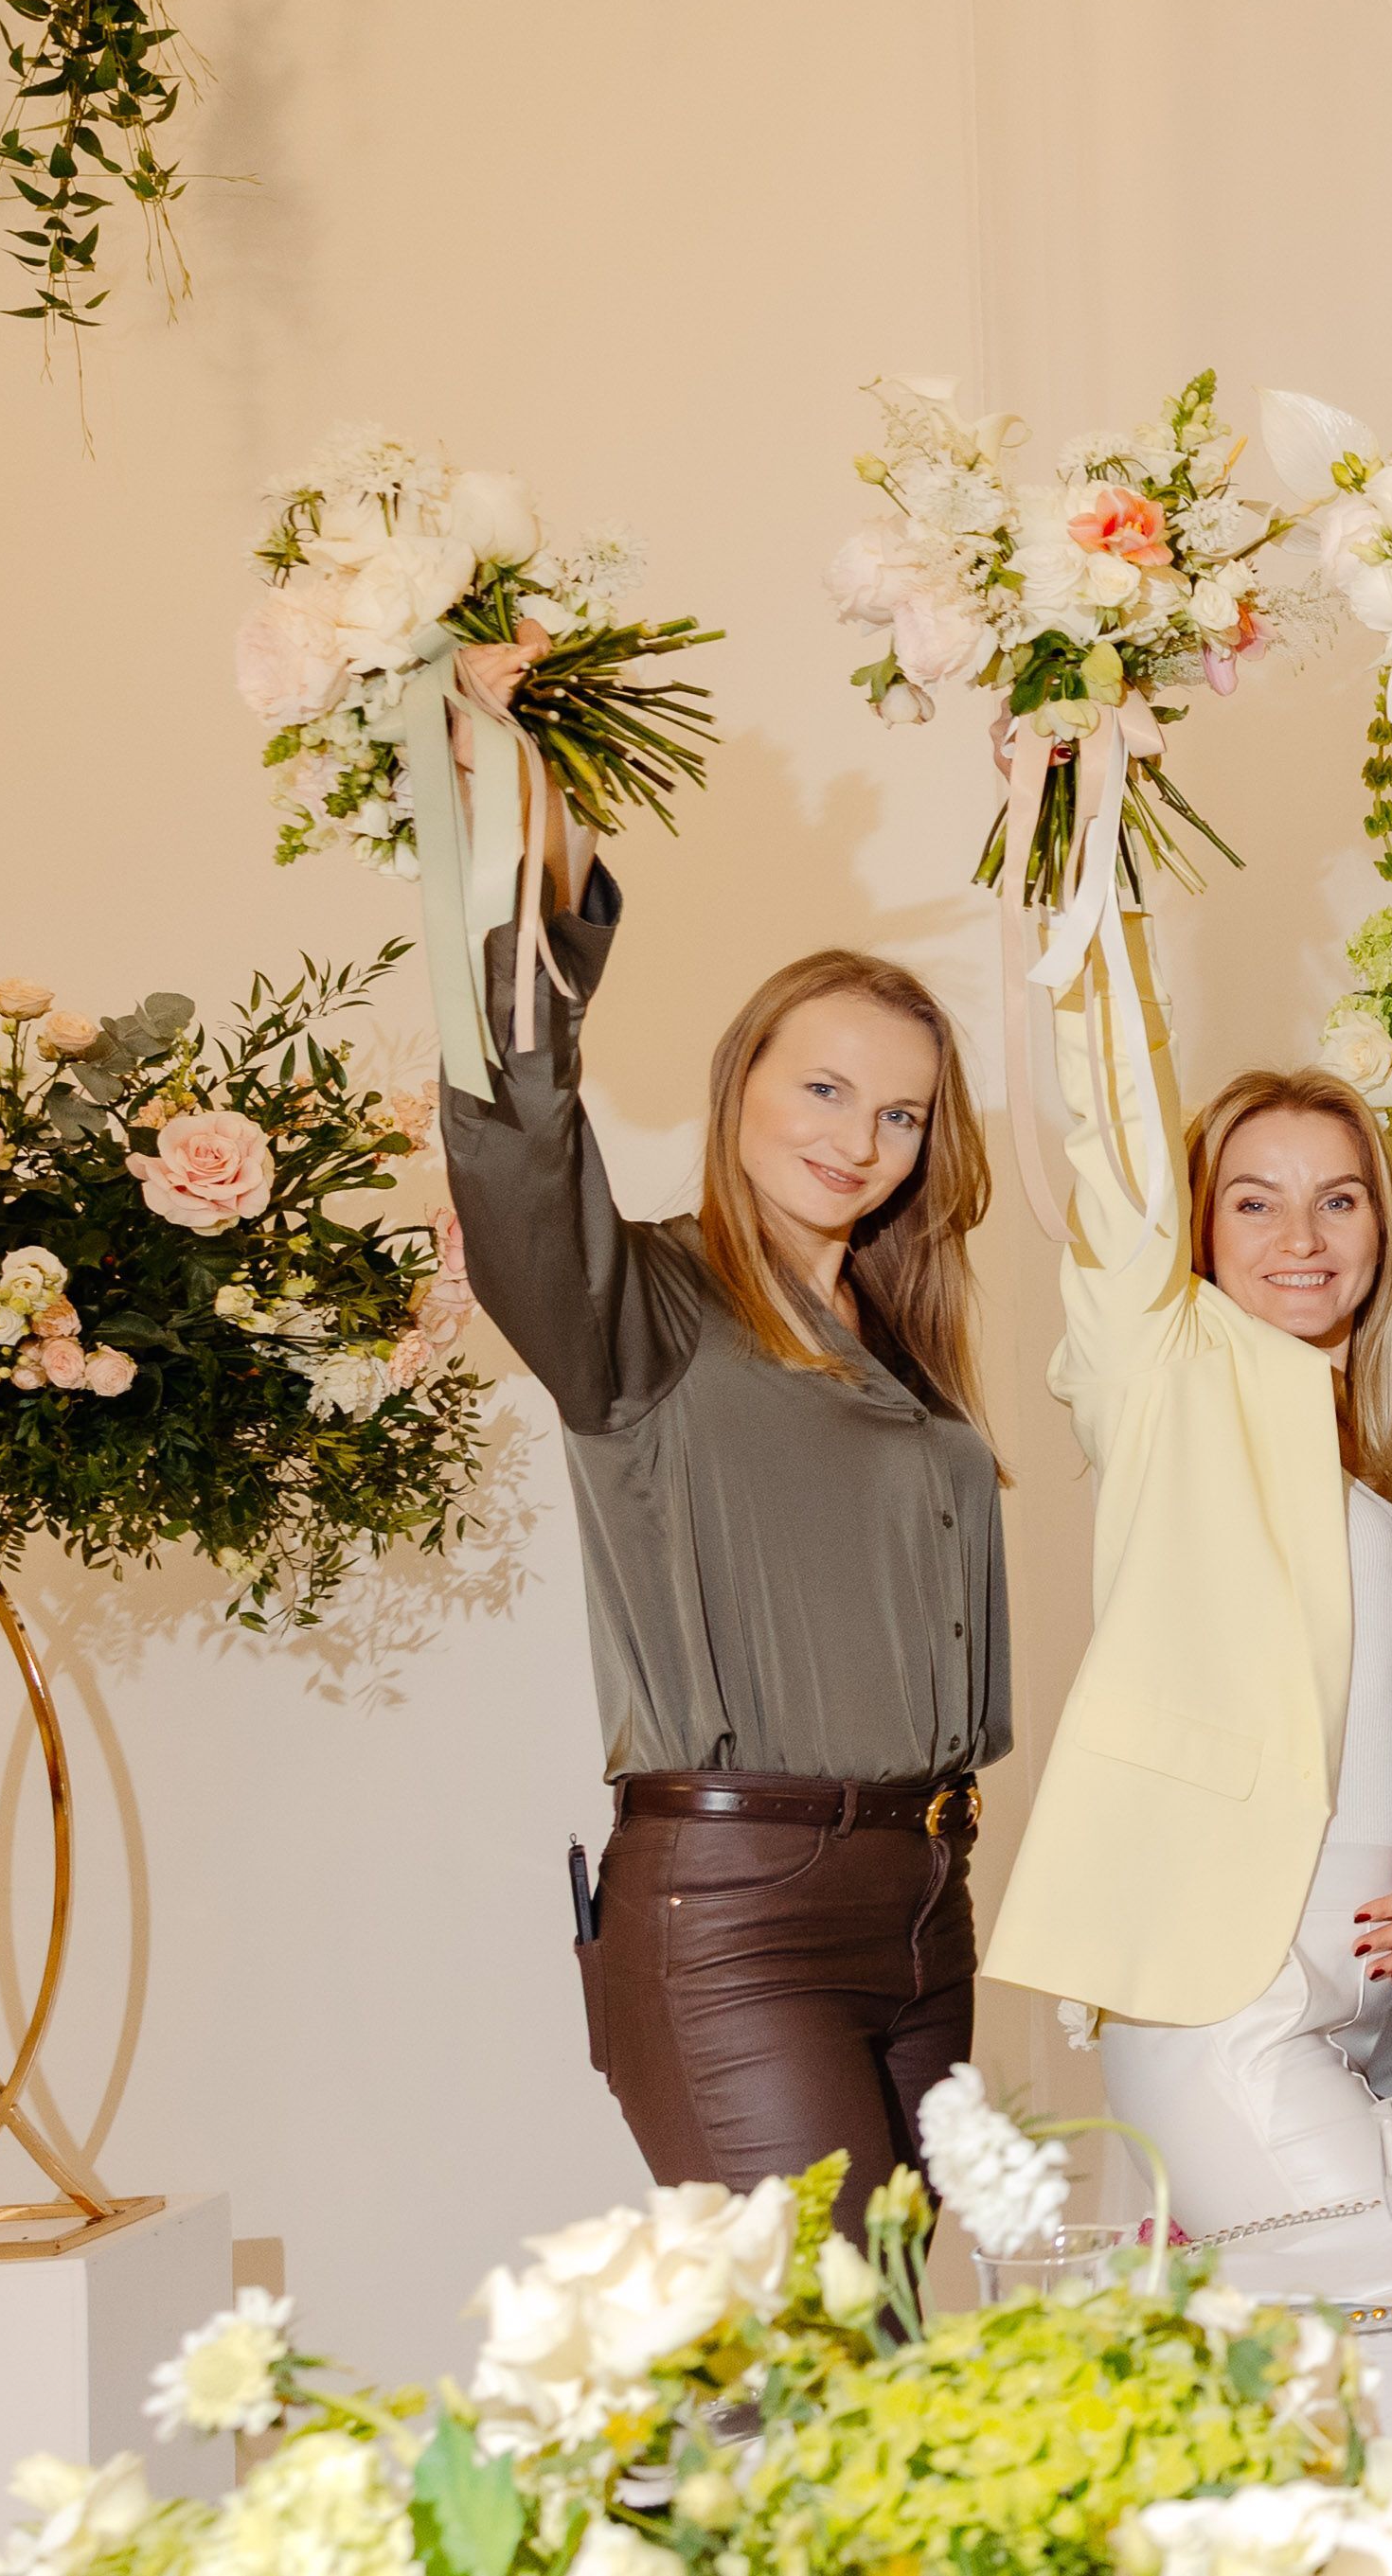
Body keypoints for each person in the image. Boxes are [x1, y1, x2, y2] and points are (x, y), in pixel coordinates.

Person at [445, 814, 1005, 2232]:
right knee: (825, 2334)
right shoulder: (635, 1311)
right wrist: (532, 849)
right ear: (737, 1081)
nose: (857, 1140)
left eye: (900, 1114)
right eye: (822, 1088)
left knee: (894, 2322)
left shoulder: (902, 1342)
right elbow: (517, 1140)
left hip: (925, 1900)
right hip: (738, 1912)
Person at [980, 924, 1392, 2236]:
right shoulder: (1164, 1374)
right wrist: (1095, 890)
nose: (1300, 1235)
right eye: (1253, 1200)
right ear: (1195, 1224)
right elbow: (1115, 1144)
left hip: (1382, 2006)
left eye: (1339, 1199)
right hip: (1226, 1995)